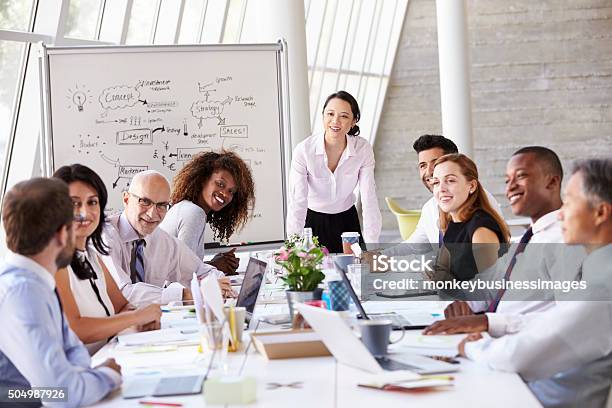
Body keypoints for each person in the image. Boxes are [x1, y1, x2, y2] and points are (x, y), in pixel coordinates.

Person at [456, 158, 612, 407]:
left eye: (570, 201)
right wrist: (491, 323)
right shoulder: (598, 271)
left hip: (538, 398)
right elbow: (560, 319)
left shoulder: (602, 287)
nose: (561, 212)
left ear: (601, 213)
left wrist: (475, 347)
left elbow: (520, 356)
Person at [424, 146, 585, 335]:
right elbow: (493, 283)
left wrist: (488, 322)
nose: (510, 187)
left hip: (526, 347)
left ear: (552, 182)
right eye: (507, 180)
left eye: (521, 176)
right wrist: (465, 302)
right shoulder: (530, 240)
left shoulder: (565, 240)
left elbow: (572, 319)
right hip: (498, 339)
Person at [0, 178, 121, 406]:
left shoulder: (36, 281)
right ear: (62, 234)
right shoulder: (23, 293)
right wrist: (109, 375)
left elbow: (75, 358)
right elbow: (62, 394)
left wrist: (87, 378)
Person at [53, 164, 162, 354]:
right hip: (81, 374)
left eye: (92, 202)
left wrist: (138, 320)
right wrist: (136, 318)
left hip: (109, 357)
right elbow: (76, 329)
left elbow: (122, 305)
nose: (85, 212)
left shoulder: (91, 255)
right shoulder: (55, 262)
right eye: (74, 203)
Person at [102, 170, 231, 307]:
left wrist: (220, 284)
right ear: (126, 199)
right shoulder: (104, 237)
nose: (152, 214)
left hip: (151, 323)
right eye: (144, 201)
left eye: (161, 205)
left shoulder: (162, 240)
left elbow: (201, 270)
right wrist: (188, 294)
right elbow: (122, 293)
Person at [286, 90, 381, 253]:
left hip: (347, 222)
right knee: (313, 274)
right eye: (330, 114)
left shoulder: (362, 149)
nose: (335, 121)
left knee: (357, 271)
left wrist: (373, 247)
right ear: (323, 115)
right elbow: (298, 202)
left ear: (354, 121)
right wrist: (293, 247)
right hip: (313, 221)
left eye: (344, 116)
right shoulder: (304, 150)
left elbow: (369, 198)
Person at [160, 151, 255, 274]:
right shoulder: (193, 212)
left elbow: (184, 267)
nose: (225, 194)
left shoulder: (186, 208)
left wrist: (214, 263)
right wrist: (216, 266)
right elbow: (184, 274)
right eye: (220, 184)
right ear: (203, 179)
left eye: (231, 191)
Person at [429, 153, 510, 281]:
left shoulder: (480, 229)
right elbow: (442, 269)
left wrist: (448, 283)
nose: (441, 189)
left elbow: (490, 290)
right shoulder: (453, 223)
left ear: (471, 186)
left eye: (450, 180)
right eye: (436, 182)